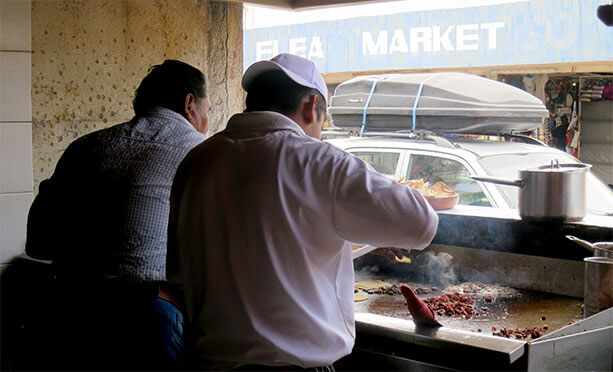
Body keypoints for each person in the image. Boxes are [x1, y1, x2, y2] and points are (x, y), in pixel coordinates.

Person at [167, 53, 439, 370]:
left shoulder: (197, 161)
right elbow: (422, 224)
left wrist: (357, 241)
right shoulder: (319, 160)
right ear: (312, 107)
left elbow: (249, 252)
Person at [25, 59, 209, 370]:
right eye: (207, 108)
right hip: (152, 317)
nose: (206, 119)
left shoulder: (85, 147)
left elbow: (38, 243)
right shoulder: (202, 153)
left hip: (69, 314)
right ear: (189, 104)